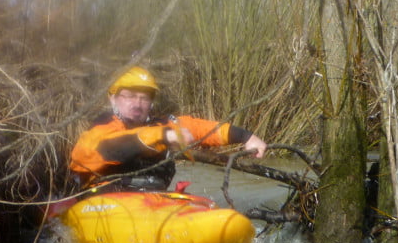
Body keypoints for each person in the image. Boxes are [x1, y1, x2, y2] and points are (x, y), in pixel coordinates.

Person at [69, 66, 267, 192]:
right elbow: (105, 150)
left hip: (153, 200)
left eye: (144, 98)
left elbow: (199, 129)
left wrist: (245, 136)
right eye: (129, 95)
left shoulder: (163, 124)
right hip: (106, 203)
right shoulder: (101, 128)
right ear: (113, 98)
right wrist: (162, 136)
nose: (137, 103)